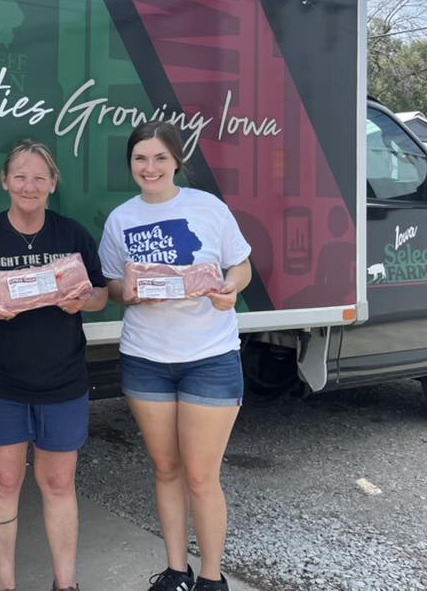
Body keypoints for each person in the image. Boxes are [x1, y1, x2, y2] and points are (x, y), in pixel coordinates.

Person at [0, 140, 108, 591]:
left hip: (63, 380)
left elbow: (100, 294)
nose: (29, 186)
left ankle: (66, 584)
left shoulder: (72, 236)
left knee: (57, 483)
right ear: (5, 182)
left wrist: (84, 302)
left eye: (39, 177)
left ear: (53, 183)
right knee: (3, 479)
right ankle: (6, 583)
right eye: (20, 176)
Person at [98, 121, 252, 591]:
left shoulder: (208, 208)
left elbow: (240, 264)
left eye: (160, 158)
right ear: (131, 164)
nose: (150, 168)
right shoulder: (120, 219)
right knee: (166, 469)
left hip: (210, 357)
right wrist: (128, 291)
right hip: (147, 359)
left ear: (177, 162)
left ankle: (210, 578)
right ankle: (175, 570)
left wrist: (231, 289)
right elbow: (111, 286)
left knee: (202, 477)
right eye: (141, 158)